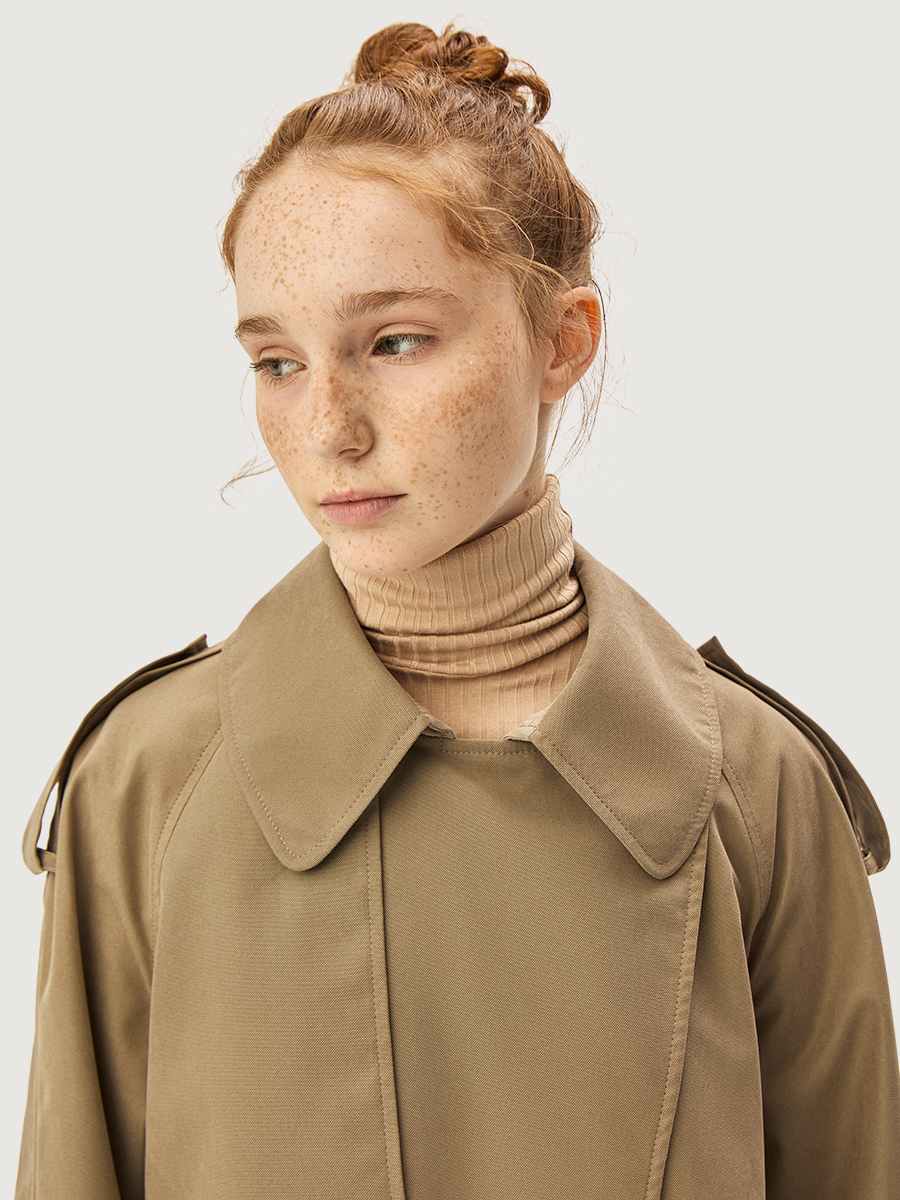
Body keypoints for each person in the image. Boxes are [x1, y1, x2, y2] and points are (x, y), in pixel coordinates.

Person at [16, 22, 900, 1200]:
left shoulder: (758, 784)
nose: (326, 430)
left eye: (394, 342)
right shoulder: (147, 780)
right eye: (278, 361)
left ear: (562, 341)